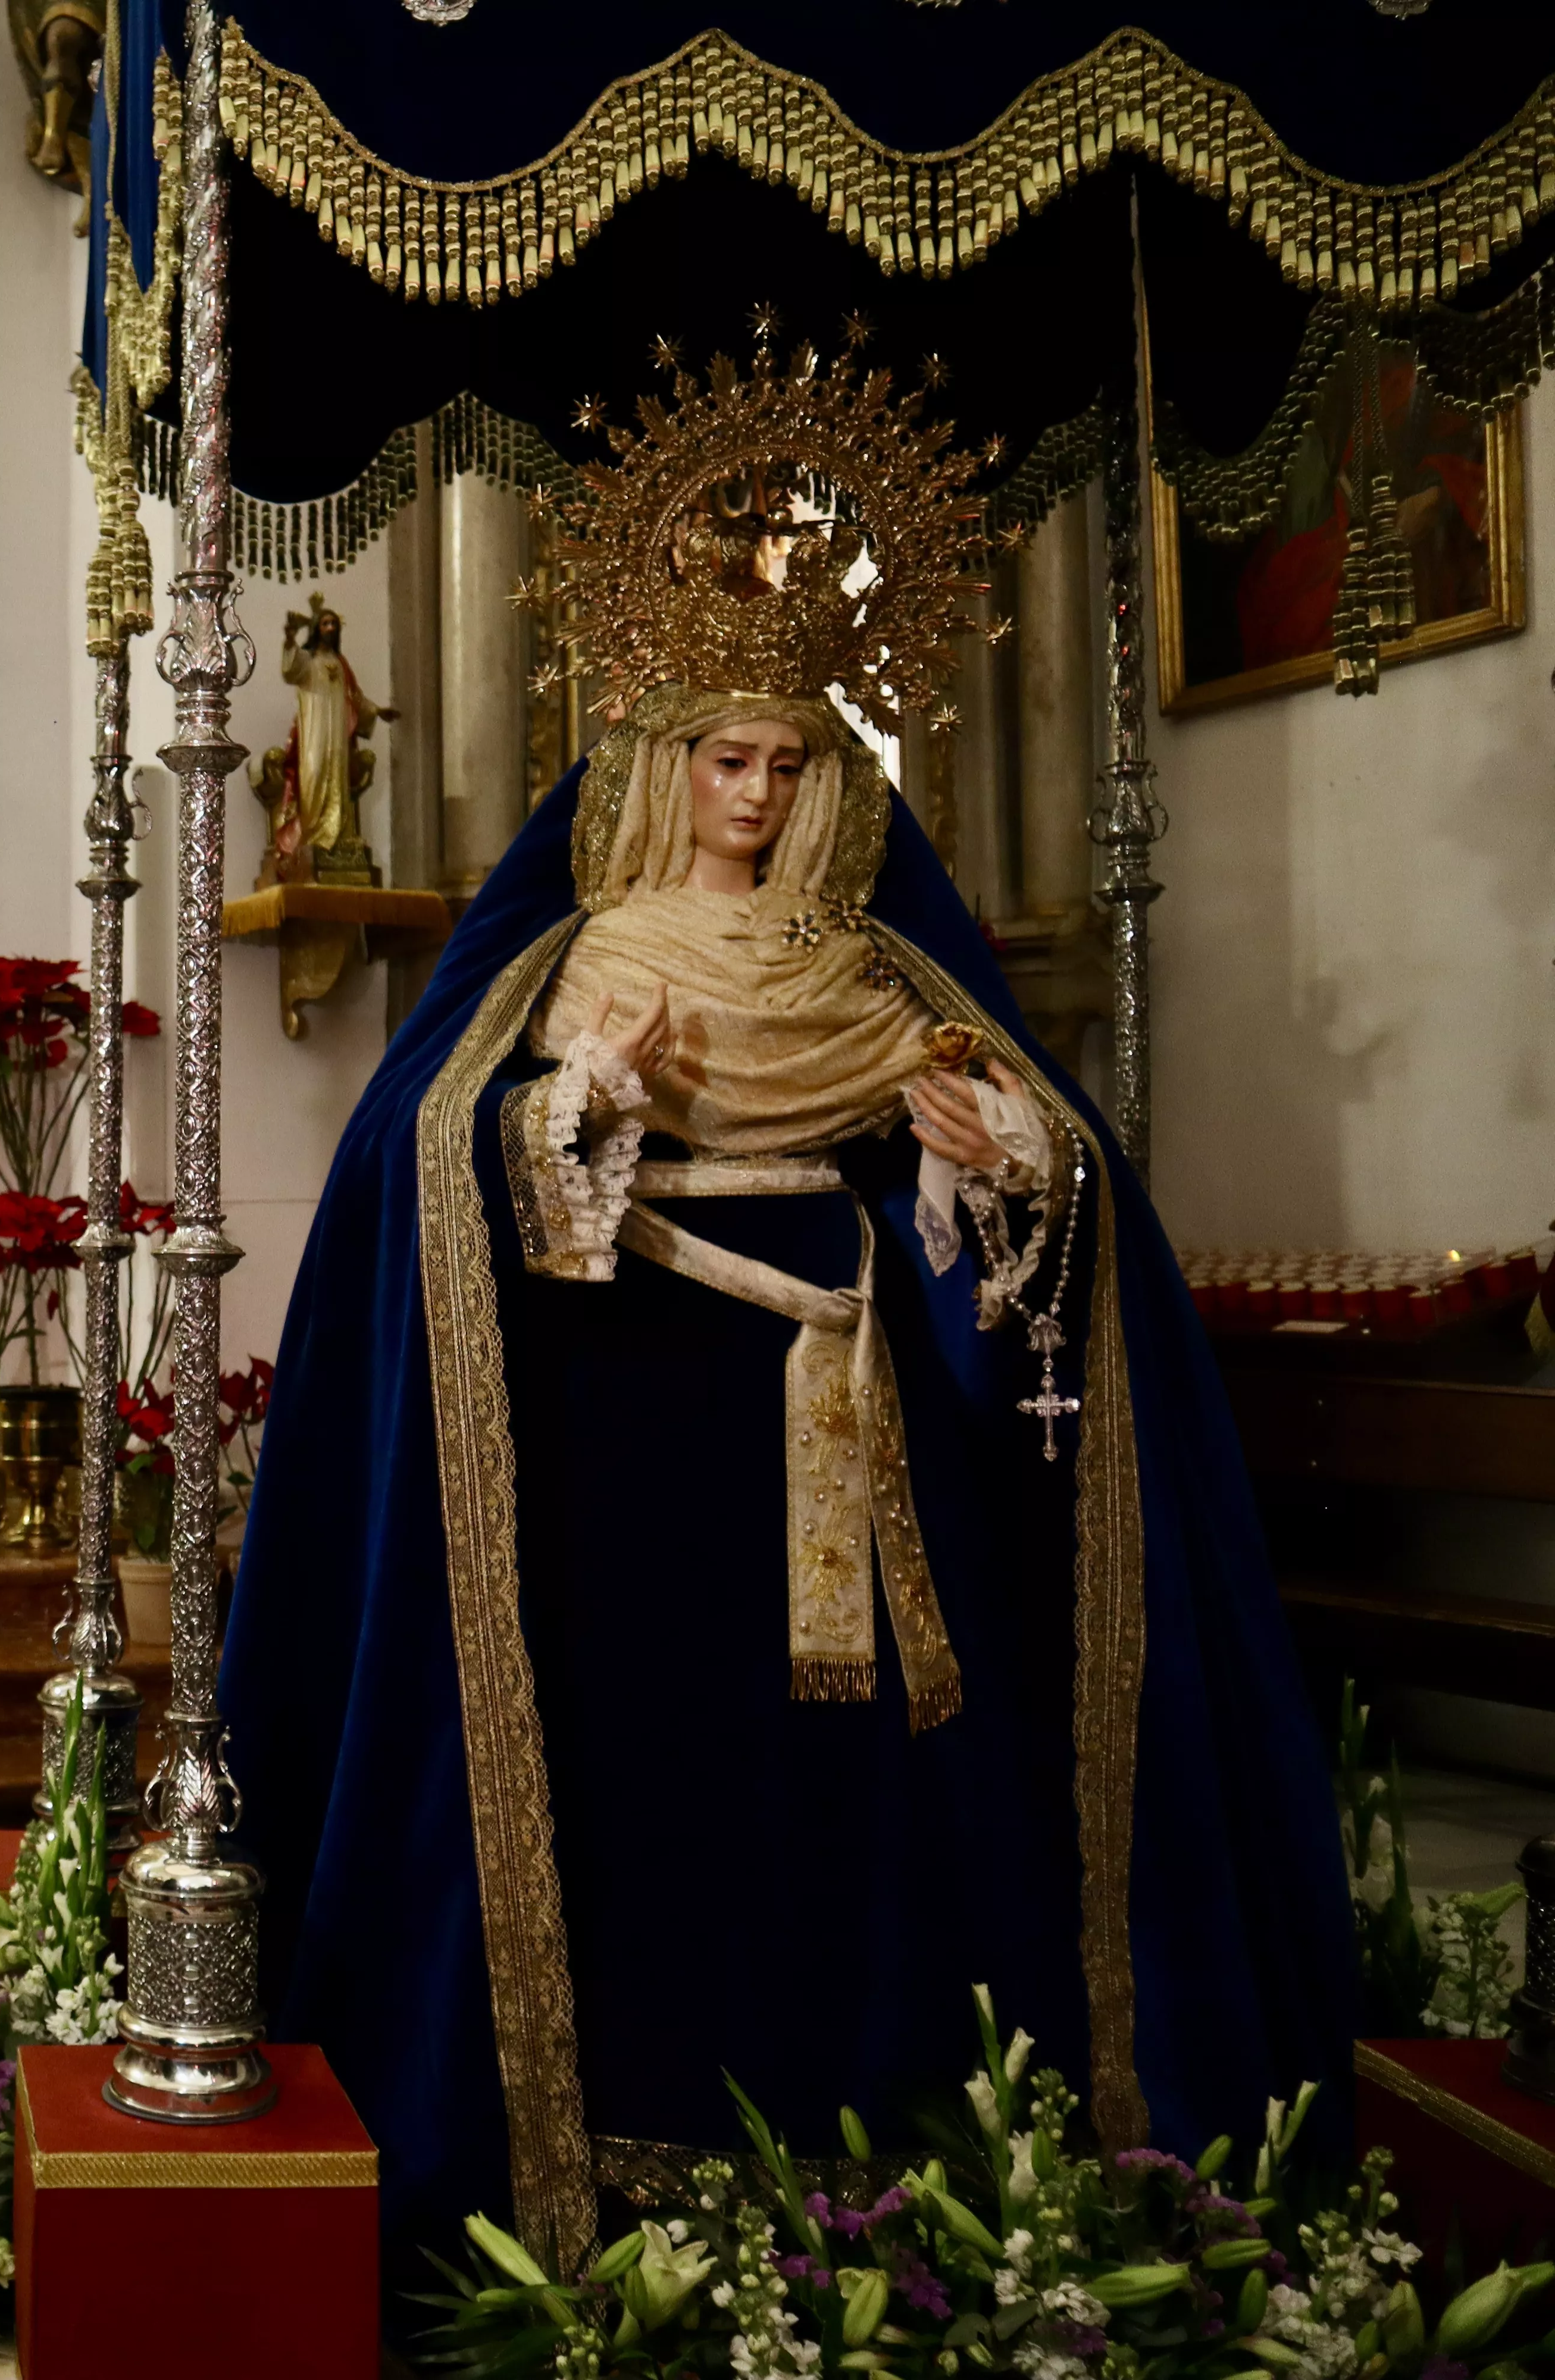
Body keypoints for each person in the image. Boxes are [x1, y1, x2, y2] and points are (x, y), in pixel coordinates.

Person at [215, 339, 1351, 2274]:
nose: (755, 795)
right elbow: (442, 1166)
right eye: (724, 761)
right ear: (658, 767)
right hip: (626, 1436)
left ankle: (887, 2120)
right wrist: (584, 1107)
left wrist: (1000, 1161)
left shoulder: (876, 965)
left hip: (862, 1428)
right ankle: (611, 2145)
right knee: (643, 1781)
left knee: (869, 1797)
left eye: (789, 763)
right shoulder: (571, 956)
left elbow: (1028, 1197)